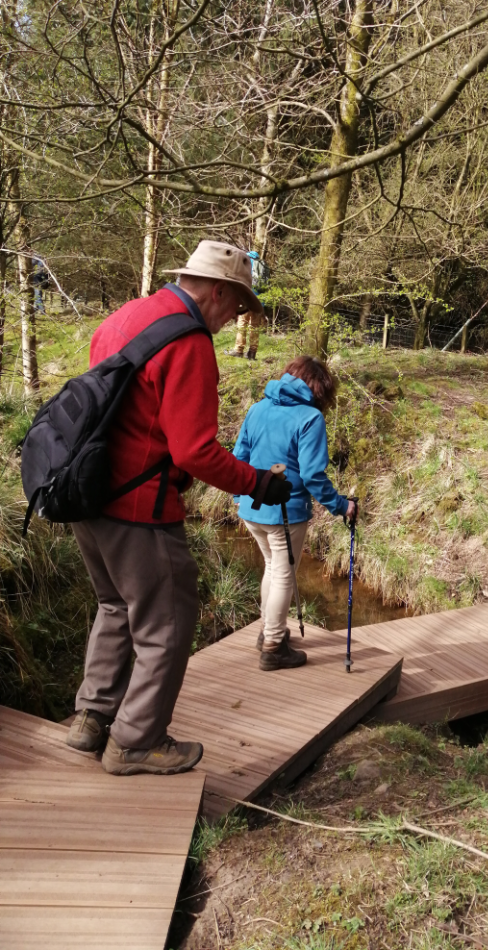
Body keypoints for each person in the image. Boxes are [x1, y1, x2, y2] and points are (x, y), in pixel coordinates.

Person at [65, 240, 292, 775]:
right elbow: (194, 451)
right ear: (218, 290)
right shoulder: (188, 343)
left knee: (116, 606)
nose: (233, 317)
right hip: (139, 509)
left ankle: (91, 719)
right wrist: (257, 483)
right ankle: (135, 743)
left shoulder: (127, 317)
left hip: (86, 493)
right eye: (237, 306)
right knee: (167, 622)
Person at [233, 355, 358, 671]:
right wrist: (342, 506)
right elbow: (314, 476)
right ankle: (274, 646)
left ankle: (268, 632)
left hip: (251, 509)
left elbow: (239, 458)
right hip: (285, 513)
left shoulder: (258, 408)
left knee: (272, 568)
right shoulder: (310, 418)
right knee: (283, 574)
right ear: (319, 389)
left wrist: (239, 496)